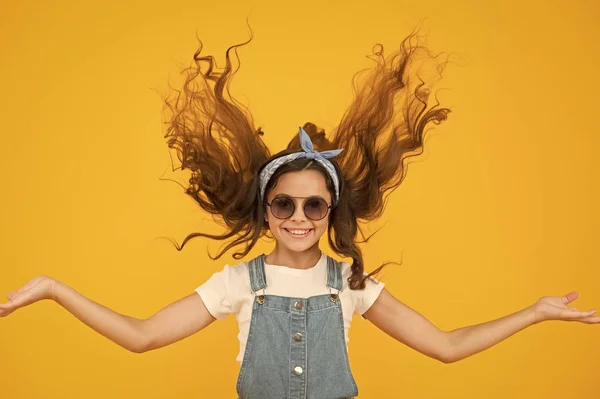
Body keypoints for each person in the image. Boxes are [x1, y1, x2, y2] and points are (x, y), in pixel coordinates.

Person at [1, 28, 598, 399]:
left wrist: (536, 313)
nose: (299, 216)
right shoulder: (238, 283)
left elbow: (445, 346)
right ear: (265, 211)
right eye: (284, 203)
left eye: (314, 204)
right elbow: (141, 337)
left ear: (331, 210)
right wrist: (54, 289)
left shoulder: (352, 285)